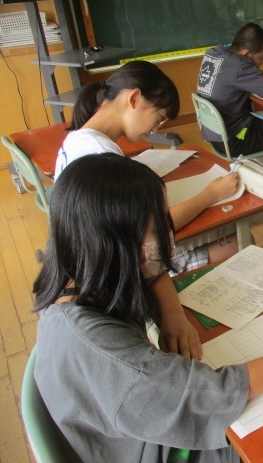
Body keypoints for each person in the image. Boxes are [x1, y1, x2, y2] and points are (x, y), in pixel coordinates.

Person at [32, 153, 263, 462]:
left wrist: (173, 316)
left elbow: (154, 271)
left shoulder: (81, 275)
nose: (168, 237)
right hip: (163, 450)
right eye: (158, 229)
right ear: (116, 244)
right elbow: (217, 393)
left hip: (134, 437)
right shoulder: (110, 360)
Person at [54, 60, 241, 360]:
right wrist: (211, 194)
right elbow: (150, 241)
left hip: (98, 270)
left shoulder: (78, 139)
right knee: (231, 241)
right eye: (159, 117)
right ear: (134, 98)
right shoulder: (101, 156)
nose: (157, 128)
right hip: (120, 279)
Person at [197, 23, 263, 157]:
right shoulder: (239, 66)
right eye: (261, 57)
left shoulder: (214, 53)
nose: (261, 62)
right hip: (238, 139)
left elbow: (253, 73)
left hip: (216, 135)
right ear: (245, 54)